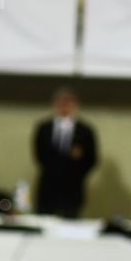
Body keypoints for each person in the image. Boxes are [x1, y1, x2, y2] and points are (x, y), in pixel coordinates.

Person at [34, 88, 98, 218]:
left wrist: (77, 171)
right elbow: (39, 155)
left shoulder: (85, 131)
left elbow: (91, 159)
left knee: (70, 222)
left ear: (75, 105)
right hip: (48, 187)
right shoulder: (44, 129)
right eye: (61, 103)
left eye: (68, 103)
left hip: (73, 188)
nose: (64, 106)